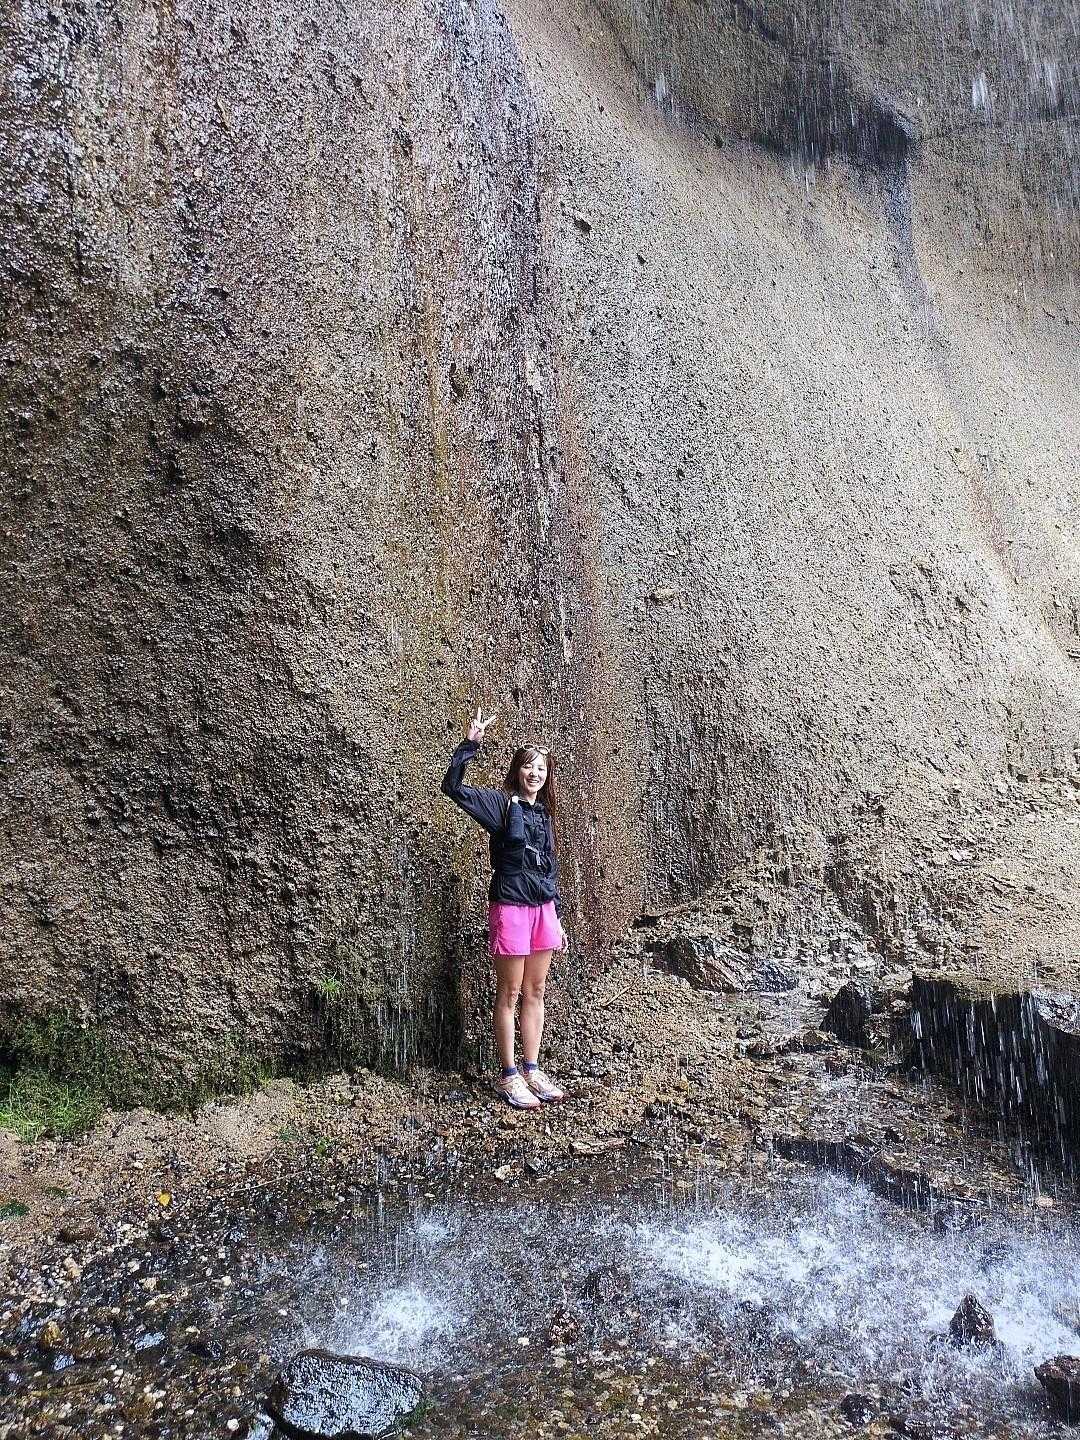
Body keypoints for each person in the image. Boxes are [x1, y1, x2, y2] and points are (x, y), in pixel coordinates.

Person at [441, 705, 569, 1109]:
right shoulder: (501, 804)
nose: (535, 773)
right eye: (528, 766)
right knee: (510, 991)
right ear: (517, 771)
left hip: (542, 908)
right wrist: (470, 744)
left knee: (536, 990)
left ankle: (532, 1069)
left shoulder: (544, 813)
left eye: (541, 768)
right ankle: (509, 1075)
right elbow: (453, 788)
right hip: (511, 905)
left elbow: (549, 866)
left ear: (547, 776)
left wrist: (557, 915)